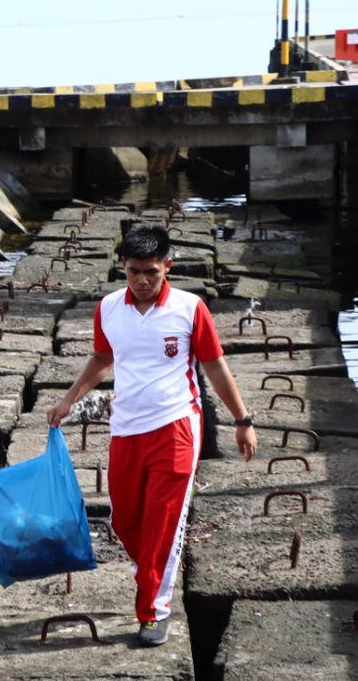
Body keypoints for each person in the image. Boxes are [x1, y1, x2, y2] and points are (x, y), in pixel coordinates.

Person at [46, 224, 257, 646]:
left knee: (163, 523)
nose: (142, 280)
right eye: (134, 271)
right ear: (122, 267)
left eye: (152, 272)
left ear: (168, 267)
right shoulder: (107, 308)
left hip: (177, 425)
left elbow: (214, 366)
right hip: (126, 427)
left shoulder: (189, 308)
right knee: (124, 521)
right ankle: (151, 572)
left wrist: (242, 419)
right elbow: (103, 357)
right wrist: (69, 398)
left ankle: (153, 611)